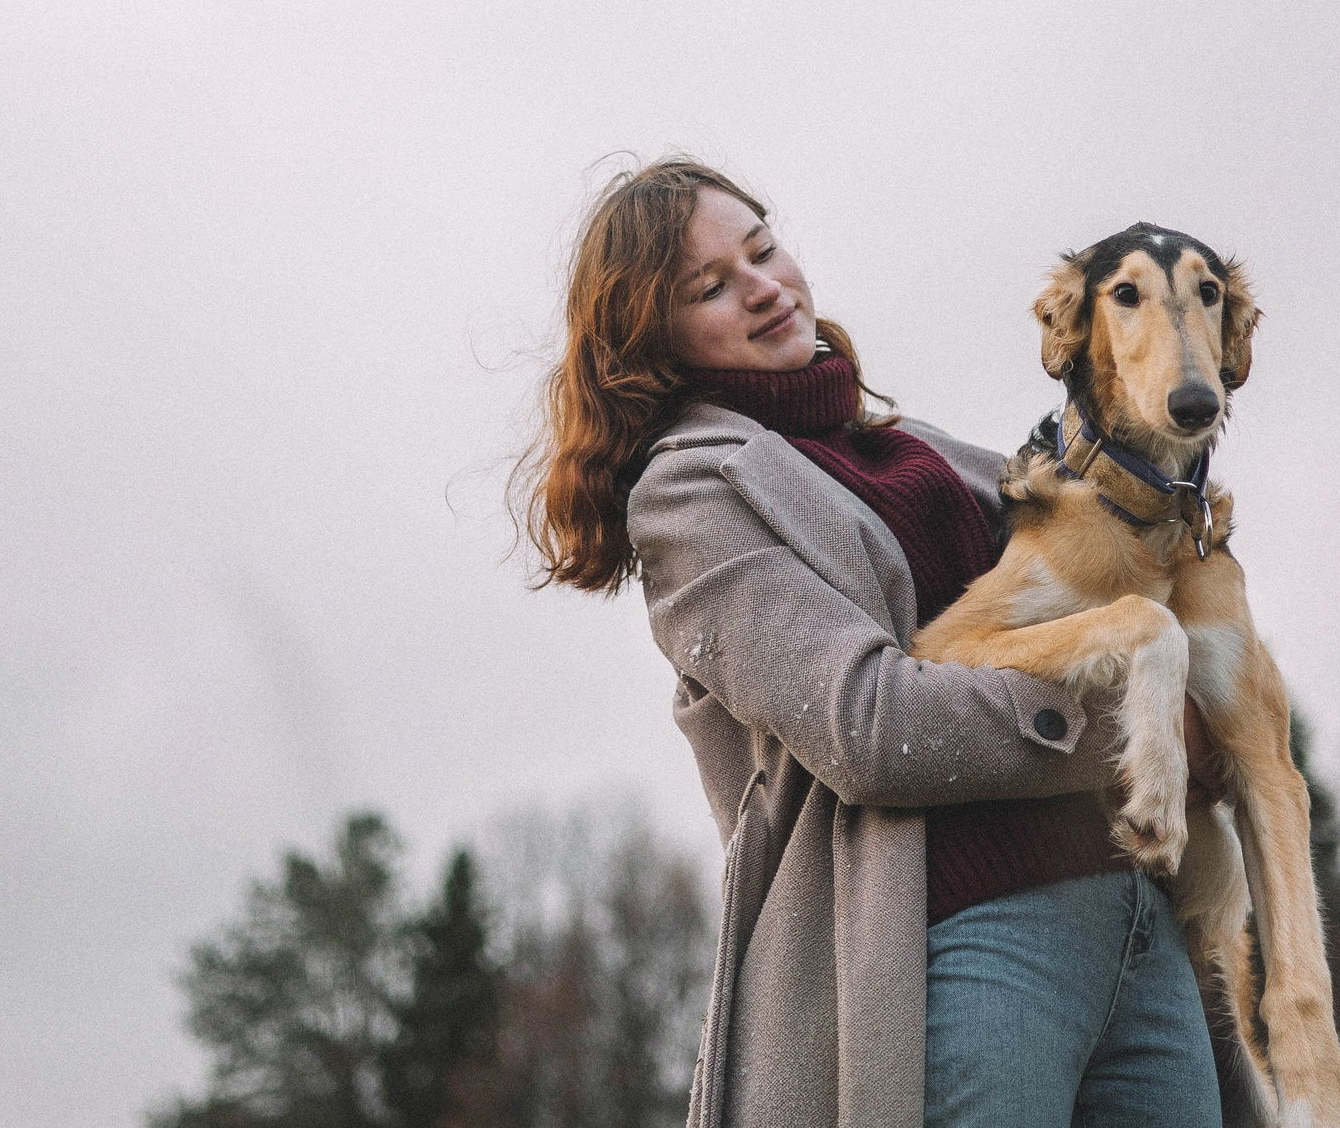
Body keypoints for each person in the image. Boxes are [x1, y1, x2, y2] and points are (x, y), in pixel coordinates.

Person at [523, 159, 1226, 1128]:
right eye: (711, 287)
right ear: (656, 341)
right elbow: (870, 725)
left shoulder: (914, 448)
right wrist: (1134, 726)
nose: (763, 286)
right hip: (976, 945)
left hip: (1138, 930)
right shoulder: (692, 498)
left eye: (762, 250)